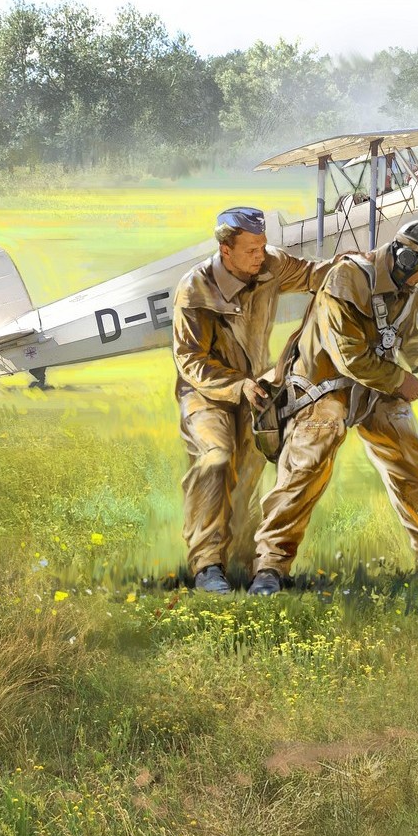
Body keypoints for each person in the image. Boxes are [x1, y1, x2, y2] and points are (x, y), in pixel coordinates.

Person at [249, 221, 418, 594]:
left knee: (412, 462)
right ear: (406, 259)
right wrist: (401, 381)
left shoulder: (405, 289)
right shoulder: (345, 280)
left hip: (375, 388)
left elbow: (407, 334)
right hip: (321, 390)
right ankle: (270, 567)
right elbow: (348, 356)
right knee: (304, 470)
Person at [171, 207, 336, 593]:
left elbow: (315, 274)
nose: (260, 255)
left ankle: (244, 563)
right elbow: (191, 360)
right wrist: (237, 386)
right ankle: (207, 565)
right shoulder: (194, 288)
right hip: (205, 393)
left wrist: (364, 264)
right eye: (250, 249)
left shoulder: (270, 264)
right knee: (216, 459)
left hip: (255, 391)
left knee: (248, 472)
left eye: (262, 246)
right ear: (225, 250)